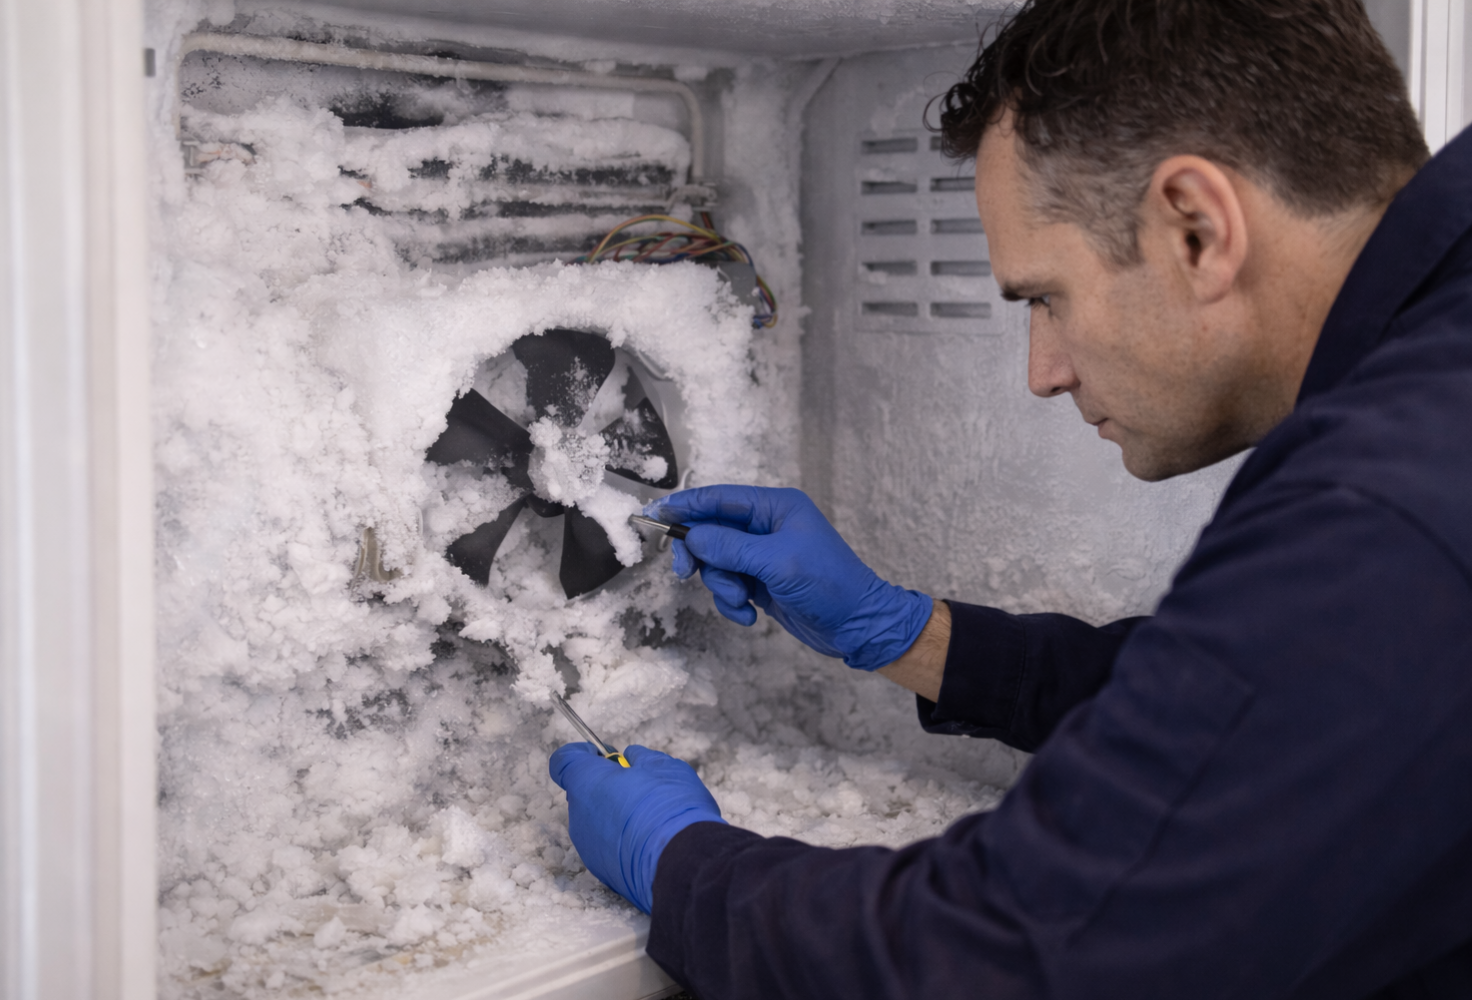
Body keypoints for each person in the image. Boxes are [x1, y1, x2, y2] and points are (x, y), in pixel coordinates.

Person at [549, 0, 1472, 996]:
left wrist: (683, 864)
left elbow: (1007, 960)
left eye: (1045, 297)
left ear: (1197, 228)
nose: (1044, 370)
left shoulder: (1388, 498)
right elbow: (1271, 722)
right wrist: (904, 633)